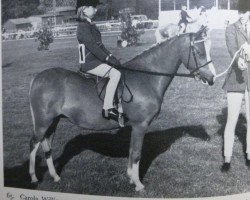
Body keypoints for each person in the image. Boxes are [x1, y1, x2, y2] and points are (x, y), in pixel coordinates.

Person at [76, 0, 124, 122]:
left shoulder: (90, 24)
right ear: (85, 9)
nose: (96, 9)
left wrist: (111, 56)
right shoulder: (83, 27)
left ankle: (118, 104)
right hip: (89, 63)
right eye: (93, 7)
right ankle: (107, 108)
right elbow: (92, 46)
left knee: (118, 70)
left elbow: (100, 45)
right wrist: (106, 58)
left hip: (95, 60)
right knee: (115, 74)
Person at [221, 0, 250, 171]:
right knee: (232, 120)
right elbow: (232, 48)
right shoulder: (231, 28)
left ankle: (249, 155)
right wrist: (239, 58)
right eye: (241, 12)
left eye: (246, 12)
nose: (243, 16)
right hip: (236, 79)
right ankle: (227, 159)